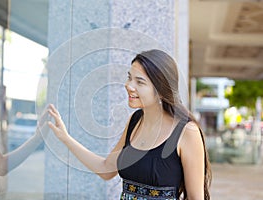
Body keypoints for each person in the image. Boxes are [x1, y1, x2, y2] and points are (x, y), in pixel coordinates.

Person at [47, 49, 212, 200]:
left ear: (161, 89)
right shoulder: (135, 121)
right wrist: (65, 138)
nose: (129, 86)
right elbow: (106, 169)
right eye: (129, 78)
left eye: (139, 82)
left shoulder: (187, 132)